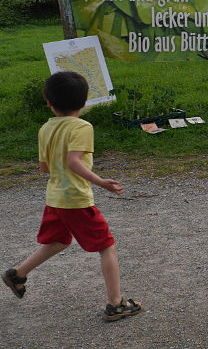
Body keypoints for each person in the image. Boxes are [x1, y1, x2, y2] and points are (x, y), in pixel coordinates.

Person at [2, 71, 142, 321]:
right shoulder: (82, 127)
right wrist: (101, 182)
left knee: (59, 241)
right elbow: (73, 161)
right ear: (85, 101)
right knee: (107, 247)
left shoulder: (46, 128)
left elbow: (44, 168)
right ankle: (116, 303)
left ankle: (18, 274)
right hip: (75, 199)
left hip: (55, 198)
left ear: (49, 102)